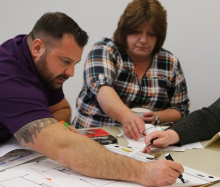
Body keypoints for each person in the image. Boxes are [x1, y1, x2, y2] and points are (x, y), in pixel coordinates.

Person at [0, 12, 183, 187]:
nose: (71, 73)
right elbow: (65, 147)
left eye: (74, 64)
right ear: (37, 47)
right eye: (65, 61)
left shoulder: (34, 57)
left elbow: (60, 109)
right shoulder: (9, 78)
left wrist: (58, 127)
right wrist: (142, 171)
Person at [73, 0, 190, 141]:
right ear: (125, 31)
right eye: (136, 32)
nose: (143, 40)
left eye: (151, 34)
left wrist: (157, 117)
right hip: (94, 135)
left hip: (142, 141)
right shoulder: (105, 50)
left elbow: (180, 110)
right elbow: (102, 89)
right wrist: (127, 116)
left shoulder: (170, 62)